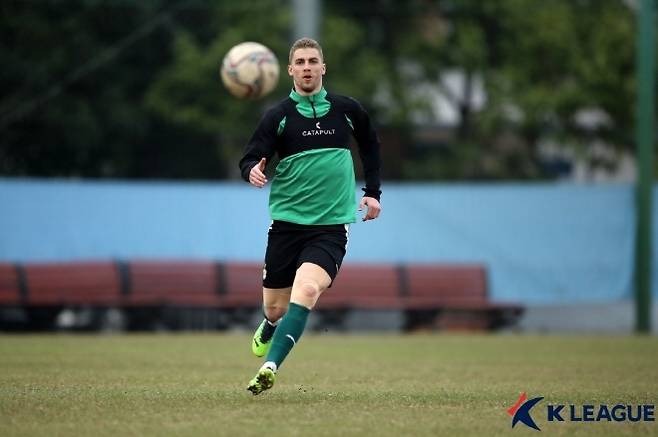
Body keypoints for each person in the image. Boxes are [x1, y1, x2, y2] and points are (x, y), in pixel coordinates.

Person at [239, 37, 382, 395]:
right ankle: (270, 325)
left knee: (307, 289)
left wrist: (373, 193)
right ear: (290, 70)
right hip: (286, 227)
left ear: (323, 67)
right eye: (300, 61)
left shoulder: (346, 109)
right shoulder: (278, 117)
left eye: (312, 61)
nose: (306, 67)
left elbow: (370, 144)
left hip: (330, 227)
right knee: (274, 308)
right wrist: (251, 172)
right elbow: (250, 156)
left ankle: (270, 366)